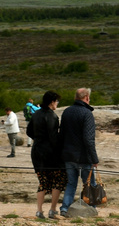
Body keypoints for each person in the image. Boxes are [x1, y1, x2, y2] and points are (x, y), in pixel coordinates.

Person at [58, 87, 98, 214]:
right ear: (86, 97)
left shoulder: (67, 112)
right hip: (84, 157)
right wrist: (94, 158)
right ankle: (90, 209)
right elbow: (88, 139)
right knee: (89, 184)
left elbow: (62, 134)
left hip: (68, 155)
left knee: (71, 183)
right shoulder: (87, 114)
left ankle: (65, 208)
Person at [26, 91, 64, 219]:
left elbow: (29, 131)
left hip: (36, 151)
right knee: (57, 180)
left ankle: (39, 210)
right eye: (57, 101)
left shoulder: (36, 114)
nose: (57, 104)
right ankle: (52, 209)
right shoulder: (52, 116)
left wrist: (38, 139)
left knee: (42, 181)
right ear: (52, 102)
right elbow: (53, 138)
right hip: (50, 153)